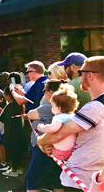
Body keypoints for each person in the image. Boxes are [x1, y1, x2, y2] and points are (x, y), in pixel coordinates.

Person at [38, 56, 104, 190]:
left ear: (90, 75)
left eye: (81, 73)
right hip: (93, 178)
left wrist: (41, 142)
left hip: (81, 177)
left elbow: (60, 134)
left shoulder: (96, 107)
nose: (79, 77)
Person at [25, 80, 68, 191]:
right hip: (60, 148)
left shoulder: (47, 108)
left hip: (43, 148)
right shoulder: (67, 109)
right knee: (56, 179)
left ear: (51, 92)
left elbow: (29, 114)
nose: (43, 93)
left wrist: (38, 124)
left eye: (44, 91)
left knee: (32, 179)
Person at [37, 87, 78, 161]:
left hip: (60, 152)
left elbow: (53, 128)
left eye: (52, 105)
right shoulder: (72, 116)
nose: (51, 108)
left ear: (59, 108)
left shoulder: (59, 117)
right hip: (72, 151)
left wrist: (42, 128)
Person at [0, 86, 25, 177]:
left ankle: (14, 169)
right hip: (19, 131)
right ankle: (18, 168)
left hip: (11, 132)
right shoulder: (19, 105)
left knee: (12, 151)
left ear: (8, 95)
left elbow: (3, 118)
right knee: (18, 150)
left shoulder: (10, 106)